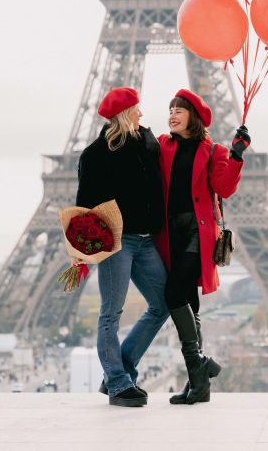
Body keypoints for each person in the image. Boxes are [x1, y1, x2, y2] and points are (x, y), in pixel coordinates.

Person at [154, 88, 250, 405]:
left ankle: (198, 368)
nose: (172, 115)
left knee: (172, 293)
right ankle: (200, 383)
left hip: (198, 230)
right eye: (170, 109)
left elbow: (223, 188)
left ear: (193, 116)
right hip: (171, 233)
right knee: (189, 304)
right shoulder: (161, 146)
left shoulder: (213, 151)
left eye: (178, 110)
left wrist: (235, 155)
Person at [76, 87, 169, 407]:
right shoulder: (96, 154)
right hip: (117, 241)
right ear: (123, 114)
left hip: (145, 240)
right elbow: (85, 207)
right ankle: (117, 383)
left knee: (163, 303)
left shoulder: (148, 144)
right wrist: (85, 251)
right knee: (110, 314)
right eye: (136, 109)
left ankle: (121, 370)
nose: (142, 114)